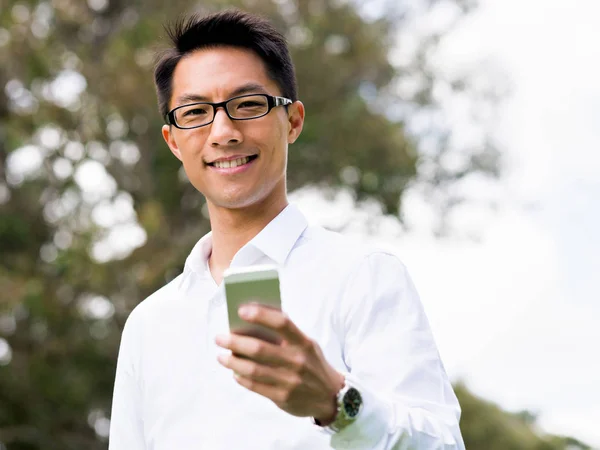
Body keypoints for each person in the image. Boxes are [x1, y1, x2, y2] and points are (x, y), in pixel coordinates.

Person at [108, 8, 465, 450]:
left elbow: (443, 445)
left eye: (248, 105)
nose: (223, 131)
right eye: (196, 112)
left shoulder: (364, 277)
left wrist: (338, 402)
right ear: (174, 141)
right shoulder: (148, 324)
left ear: (293, 120)